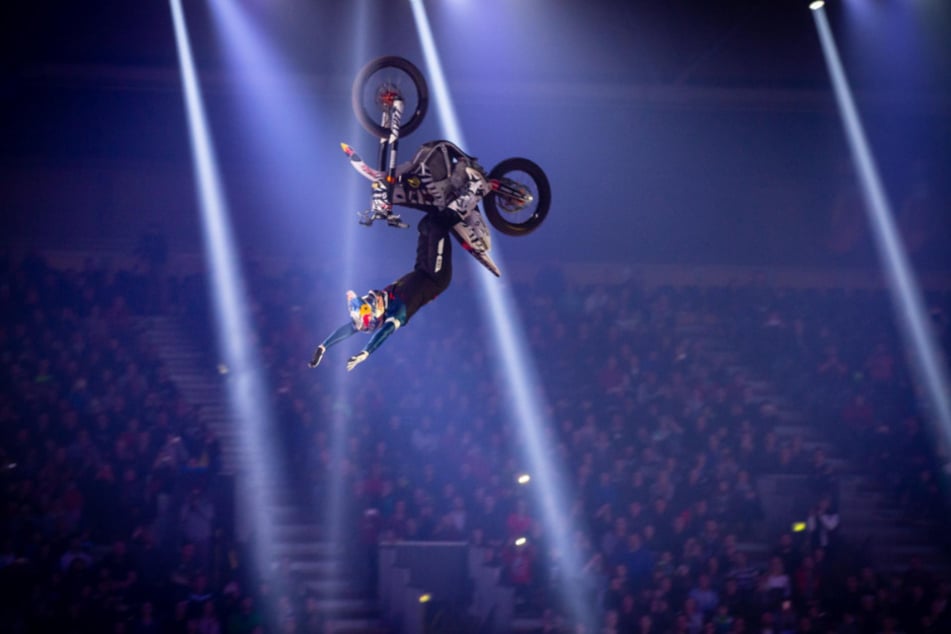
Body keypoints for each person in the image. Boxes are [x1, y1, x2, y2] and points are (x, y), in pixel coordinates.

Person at [309, 141, 492, 371]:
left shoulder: (368, 316)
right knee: (437, 225)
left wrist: (323, 346)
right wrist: (365, 352)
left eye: (364, 300)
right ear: (372, 316)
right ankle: (475, 191)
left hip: (421, 269)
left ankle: (454, 196)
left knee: (426, 224)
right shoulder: (394, 314)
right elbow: (384, 333)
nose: (368, 297)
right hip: (435, 277)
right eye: (366, 303)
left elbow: (349, 328)